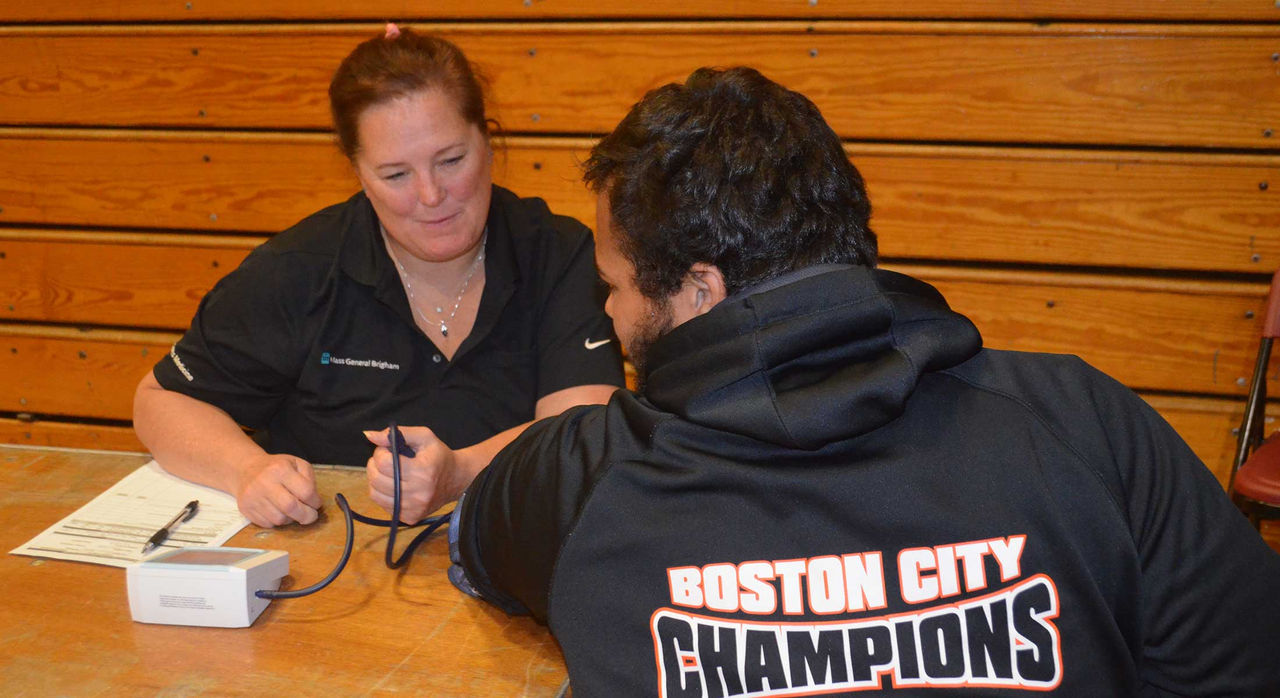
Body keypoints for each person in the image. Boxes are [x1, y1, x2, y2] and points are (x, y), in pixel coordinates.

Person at [426, 67, 1280, 694]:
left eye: (612, 285)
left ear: (699, 290)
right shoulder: (1081, 419)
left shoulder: (585, 473)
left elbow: (474, 549)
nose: (606, 315)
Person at [132, 26, 624, 529]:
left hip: (514, 555)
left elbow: (583, 428)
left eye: (451, 160)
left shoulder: (559, 253)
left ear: (490, 141)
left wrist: (460, 472)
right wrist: (247, 469)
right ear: (358, 173)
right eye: (395, 175)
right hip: (331, 567)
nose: (431, 195)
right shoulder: (300, 267)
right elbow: (161, 402)